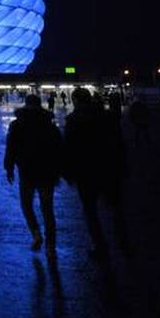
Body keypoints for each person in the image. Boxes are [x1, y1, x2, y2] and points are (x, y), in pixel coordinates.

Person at [63, 88, 129, 258]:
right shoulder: (108, 117)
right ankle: (123, 241)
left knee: (90, 211)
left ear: (75, 100)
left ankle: (99, 245)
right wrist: (122, 166)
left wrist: (69, 172)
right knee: (116, 207)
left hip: (86, 172)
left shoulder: (73, 120)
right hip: (109, 168)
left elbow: (69, 149)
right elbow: (119, 143)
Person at [4, 94, 63, 254]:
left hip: (27, 170)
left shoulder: (17, 125)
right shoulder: (49, 125)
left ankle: (36, 234)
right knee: (47, 208)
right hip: (46, 171)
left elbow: (11, 147)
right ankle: (51, 244)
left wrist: (9, 167)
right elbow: (59, 148)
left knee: (26, 204)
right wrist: (61, 170)